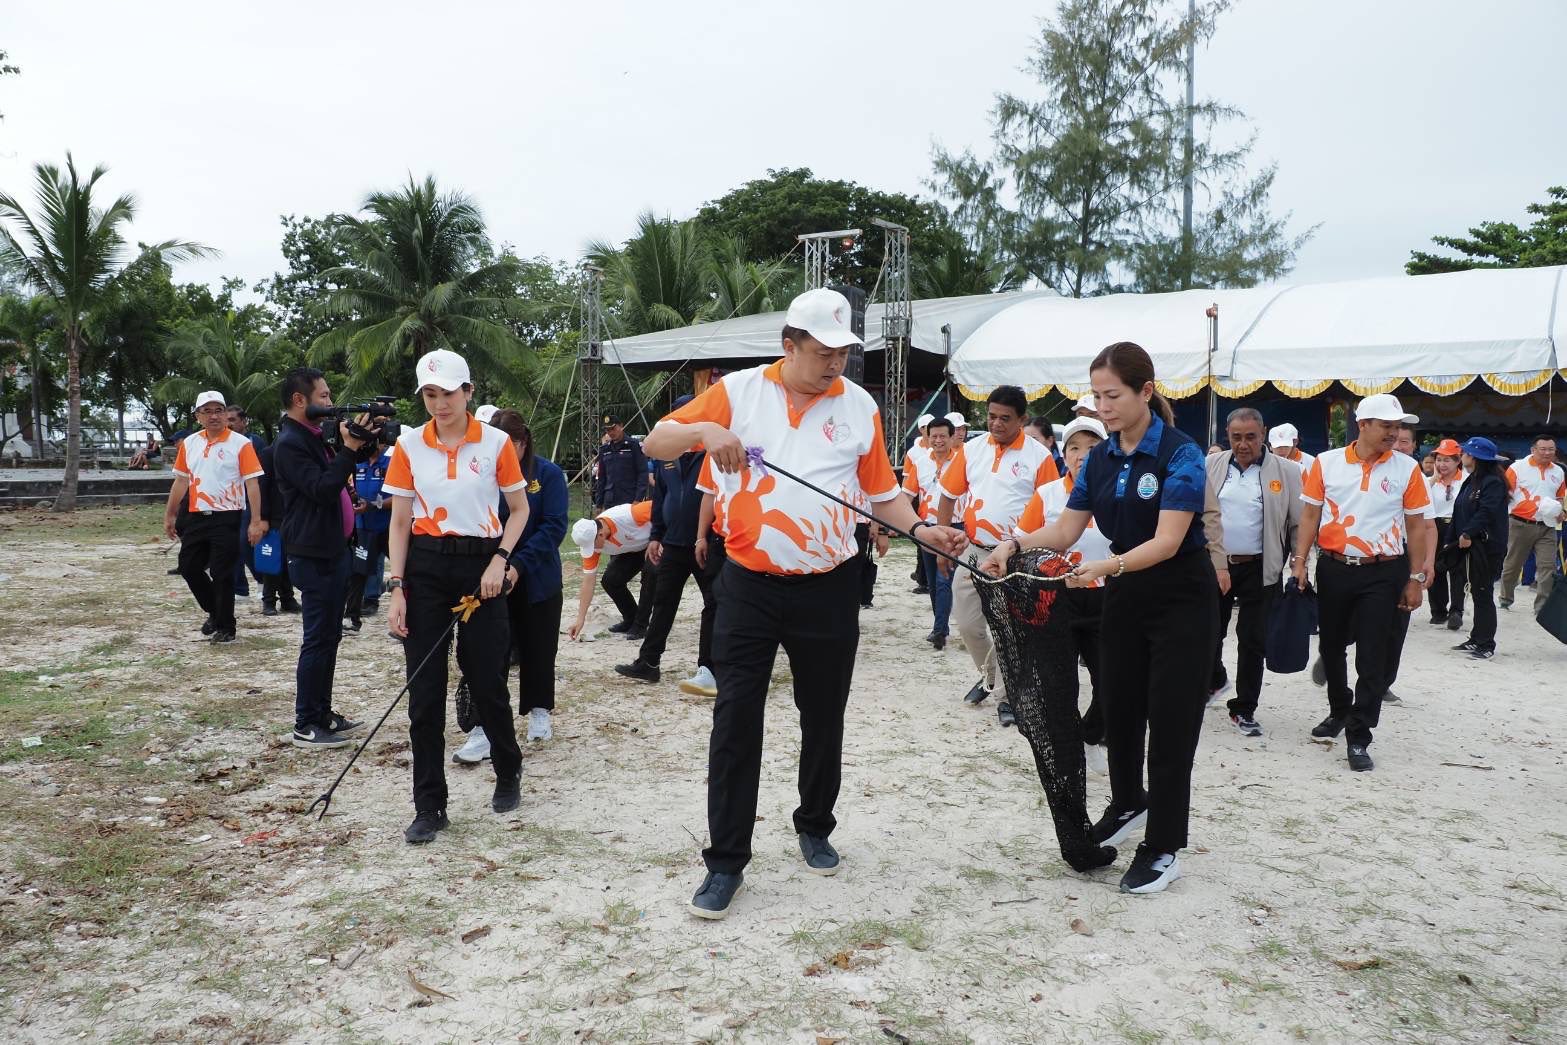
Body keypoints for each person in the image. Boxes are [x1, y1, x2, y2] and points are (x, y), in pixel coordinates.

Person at [644, 287, 966, 919]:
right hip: (748, 585)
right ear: (788, 345)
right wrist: (706, 429)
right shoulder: (739, 392)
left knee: (823, 714)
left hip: (830, 584)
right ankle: (726, 862)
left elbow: (881, 493)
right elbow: (657, 441)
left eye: (843, 352)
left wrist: (923, 529)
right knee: (735, 719)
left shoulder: (860, 405)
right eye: (823, 352)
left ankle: (815, 823)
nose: (835, 363)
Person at [984, 342, 1218, 895]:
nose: (1103, 406)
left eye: (1112, 395)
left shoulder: (1180, 455)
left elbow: (1168, 541)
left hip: (1181, 596)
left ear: (1146, 391)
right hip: (1125, 593)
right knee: (1119, 707)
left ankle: (1164, 845)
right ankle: (1128, 801)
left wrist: (1106, 566)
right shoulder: (1102, 458)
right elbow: (1066, 529)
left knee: (1171, 722)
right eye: (1096, 395)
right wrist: (1013, 545)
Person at [382, 349, 529, 845]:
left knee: (486, 679)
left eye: (448, 393)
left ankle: (508, 767)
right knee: (424, 692)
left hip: (481, 563)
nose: (439, 403)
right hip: (425, 568)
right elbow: (399, 521)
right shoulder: (408, 445)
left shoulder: (496, 442)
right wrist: (397, 587)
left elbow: (519, 510)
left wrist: (500, 560)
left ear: (468, 392)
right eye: (430, 394)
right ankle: (430, 805)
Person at [1293, 393, 1431, 773]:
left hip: (1384, 570)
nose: (1393, 433)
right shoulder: (1326, 463)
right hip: (1334, 567)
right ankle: (1340, 710)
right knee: (1331, 645)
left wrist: (1416, 578)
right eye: (1386, 426)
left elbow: (1416, 526)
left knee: (1372, 654)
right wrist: (1300, 562)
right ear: (1363, 425)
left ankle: (1359, 734)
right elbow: (1310, 515)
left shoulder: (1407, 468)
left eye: (1397, 427)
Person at [937, 385, 1060, 727]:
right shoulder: (972, 449)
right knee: (967, 624)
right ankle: (991, 677)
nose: (996, 424)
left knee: (1008, 627)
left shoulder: (1039, 457)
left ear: (1022, 419)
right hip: (974, 550)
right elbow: (947, 494)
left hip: (1017, 556)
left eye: (1005, 418)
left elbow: (1052, 508)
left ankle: (1007, 698)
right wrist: (943, 541)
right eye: (991, 416)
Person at [454, 409, 569, 762]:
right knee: (487, 653)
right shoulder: (481, 475)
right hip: (488, 576)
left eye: (510, 445)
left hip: (536, 576)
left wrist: (518, 565)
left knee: (538, 647)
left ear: (523, 442)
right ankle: (483, 726)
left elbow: (553, 527)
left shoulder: (547, 475)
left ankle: (539, 710)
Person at [273, 368, 374, 749]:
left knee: (330, 636)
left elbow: (338, 474)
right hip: (312, 554)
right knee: (317, 639)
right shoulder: (290, 443)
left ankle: (322, 712)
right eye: (325, 396)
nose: (331, 403)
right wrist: (349, 448)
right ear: (300, 400)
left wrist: (359, 440)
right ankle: (305, 722)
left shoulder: (315, 436)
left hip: (333, 549)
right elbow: (322, 488)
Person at [1013, 416, 1113, 771]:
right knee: (1058, 682)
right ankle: (1065, 752)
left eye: (1092, 447)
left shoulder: (1118, 491)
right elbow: (1022, 540)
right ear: (1063, 453)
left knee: (1111, 681)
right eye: (1074, 448)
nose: (1082, 455)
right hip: (1057, 599)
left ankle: (1091, 734)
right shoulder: (1048, 494)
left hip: (1105, 596)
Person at [615, 394, 726, 695]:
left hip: (707, 542)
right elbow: (660, 498)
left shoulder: (712, 453)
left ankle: (709, 668)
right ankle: (648, 662)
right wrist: (655, 536)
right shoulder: (667, 456)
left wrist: (707, 536)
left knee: (714, 604)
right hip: (673, 542)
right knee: (663, 602)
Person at [1205, 407, 1303, 737]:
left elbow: (1297, 522)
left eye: (1250, 437)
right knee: (1207, 632)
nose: (1243, 444)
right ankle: (1215, 679)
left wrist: (1299, 562)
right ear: (1227, 436)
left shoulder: (1287, 471)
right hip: (1216, 564)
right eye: (1236, 437)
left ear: (1263, 435)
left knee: (1252, 641)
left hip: (1261, 568)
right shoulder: (1212, 465)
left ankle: (1244, 708)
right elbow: (1200, 514)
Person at [163, 391, 266, 644]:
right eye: (207, 411)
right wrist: (170, 513)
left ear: (226, 414)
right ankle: (215, 612)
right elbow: (181, 481)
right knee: (189, 566)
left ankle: (226, 627)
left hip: (227, 516)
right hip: (197, 514)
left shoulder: (240, 444)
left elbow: (252, 483)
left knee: (222, 573)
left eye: (218, 410)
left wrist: (256, 520)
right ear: (197, 416)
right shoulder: (190, 443)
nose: (214, 416)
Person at [1449, 438, 1510, 659]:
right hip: (1472, 544)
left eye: (1464, 452)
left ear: (1473, 457)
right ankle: (1476, 638)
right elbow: (1459, 510)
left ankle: (1486, 644)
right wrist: (1452, 537)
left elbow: (1486, 512)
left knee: (1483, 592)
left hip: (1487, 546)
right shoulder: (1473, 479)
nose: (1461, 455)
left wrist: (1468, 533)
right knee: (1477, 591)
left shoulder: (1493, 482)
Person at [902, 415, 958, 648]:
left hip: (954, 527)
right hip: (927, 528)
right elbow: (907, 494)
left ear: (952, 437)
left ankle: (939, 631)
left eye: (942, 436)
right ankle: (941, 626)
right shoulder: (921, 462)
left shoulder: (962, 462)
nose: (938, 440)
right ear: (927, 437)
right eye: (933, 436)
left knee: (944, 579)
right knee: (933, 582)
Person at [566, 500, 657, 640]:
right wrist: (580, 619)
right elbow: (588, 581)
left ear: (600, 535)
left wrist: (658, 539)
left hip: (655, 542)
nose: (593, 549)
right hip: (634, 549)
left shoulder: (630, 515)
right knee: (610, 580)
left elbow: (663, 508)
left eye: (592, 545)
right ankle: (631, 618)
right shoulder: (593, 539)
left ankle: (641, 624)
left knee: (650, 574)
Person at [1500, 435, 1564, 613]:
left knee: (1548, 566)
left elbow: (1560, 495)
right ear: (1533, 450)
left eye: (1551, 449)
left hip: (1547, 525)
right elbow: (1504, 494)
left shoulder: (1558, 471)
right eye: (1543, 449)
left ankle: (1542, 606)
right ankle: (1505, 597)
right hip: (1519, 524)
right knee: (1513, 565)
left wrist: (1561, 510)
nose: (1547, 453)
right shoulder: (1517, 468)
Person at [347, 437, 394, 620]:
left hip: (388, 527)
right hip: (363, 527)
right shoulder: (358, 462)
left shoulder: (391, 460)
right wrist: (353, 499)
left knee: (406, 570)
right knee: (358, 571)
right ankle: (352, 616)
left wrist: (374, 505)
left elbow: (401, 497)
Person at [226, 406, 268, 600]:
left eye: (233, 420)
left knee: (246, 542)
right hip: (229, 500)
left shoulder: (254, 442)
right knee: (231, 544)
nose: (229, 424)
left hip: (250, 499)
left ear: (244, 422)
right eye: (227, 420)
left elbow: (261, 475)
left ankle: (262, 580)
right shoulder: (223, 443)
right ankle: (239, 589)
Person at [255, 440, 300, 616]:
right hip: (274, 515)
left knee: (288, 559)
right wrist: (263, 517)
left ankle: (287, 598)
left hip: (292, 513)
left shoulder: (297, 452)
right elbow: (262, 486)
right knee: (272, 558)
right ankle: (268, 600)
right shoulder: (269, 454)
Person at [1426, 439, 1467, 630]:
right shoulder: (1429, 481)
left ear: (1458, 461)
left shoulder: (1466, 480)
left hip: (1457, 526)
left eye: (1447, 460)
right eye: (1439, 459)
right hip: (1434, 525)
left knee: (1458, 571)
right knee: (1434, 568)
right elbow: (1419, 496)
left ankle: (1456, 611)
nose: (1442, 464)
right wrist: (1434, 478)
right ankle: (1438, 611)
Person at [902, 414, 935, 595]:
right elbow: (907, 478)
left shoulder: (944, 446)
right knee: (921, 540)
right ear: (921, 429)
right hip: (918, 500)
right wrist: (904, 504)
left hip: (939, 504)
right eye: (927, 427)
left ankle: (924, 577)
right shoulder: (914, 453)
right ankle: (923, 578)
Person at [593, 414, 647, 511]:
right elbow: (602, 478)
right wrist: (599, 504)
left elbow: (642, 473)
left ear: (621, 426)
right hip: (610, 499)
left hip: (629, 498)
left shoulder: (633, 445)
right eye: (607, 430)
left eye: (613, 428)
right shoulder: (605, 449)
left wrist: (638, 499)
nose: (611, 432)